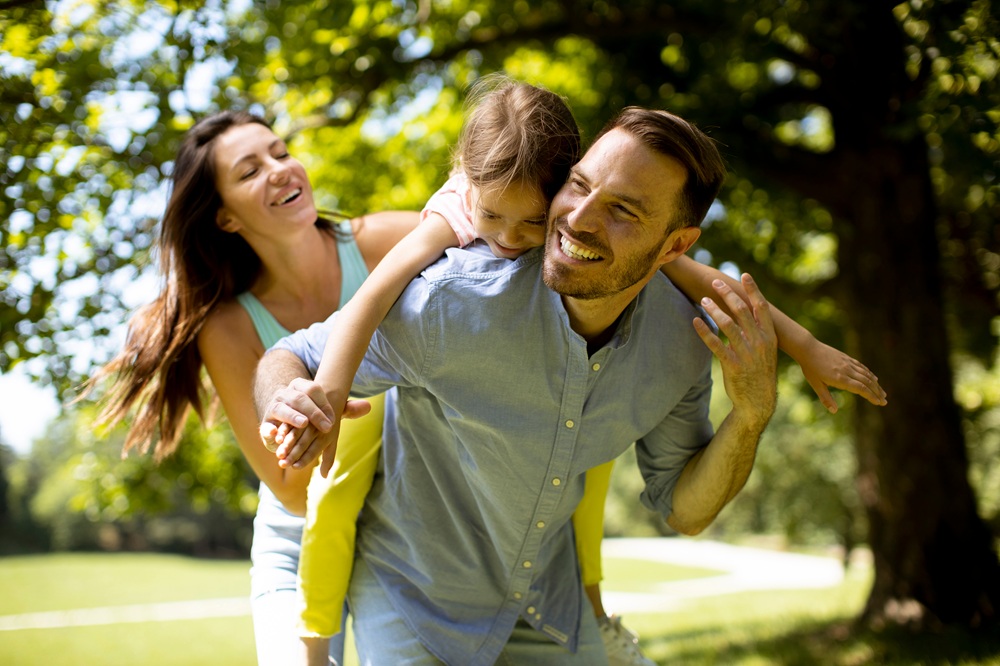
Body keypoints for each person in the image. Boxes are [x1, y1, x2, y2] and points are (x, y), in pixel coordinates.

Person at [282, 77, 887, 666]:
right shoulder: (454, 286)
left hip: (546, 605)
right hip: (416, 597)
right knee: (333, 505)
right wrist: (317, 397)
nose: (573, 221)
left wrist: (758, 405)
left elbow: (685, 508)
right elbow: (312, 342)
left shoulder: (681, 337)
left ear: (674, 246)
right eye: (579, 187)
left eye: (622, 209)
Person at [88, 109, 418, 666]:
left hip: (408, 524)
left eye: (282, 153)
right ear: (225, 220)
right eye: (249, 171)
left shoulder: (386, 240)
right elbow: (289, 488)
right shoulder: (229, 327)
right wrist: (332, 406)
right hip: (299, 538)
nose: (280, 170)